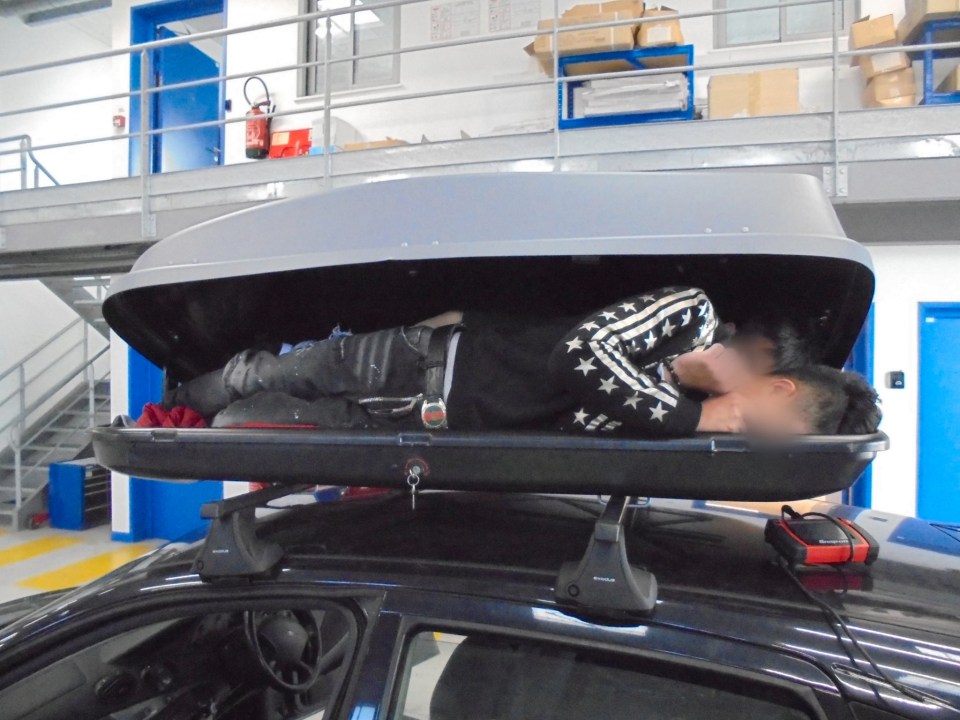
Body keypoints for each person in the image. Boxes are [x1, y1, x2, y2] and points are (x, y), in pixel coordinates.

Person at [163, 286, 880, 437]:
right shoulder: (687, 313)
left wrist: (692, 419)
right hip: (419, 362)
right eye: (771, 424)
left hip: (423, 425)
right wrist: (698, 411)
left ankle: (190, 422)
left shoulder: (685, 421)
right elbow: (580, 355)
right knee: (265, 376)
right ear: (768, 376)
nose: (746, 434)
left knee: (245, 423)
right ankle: (176, 396)